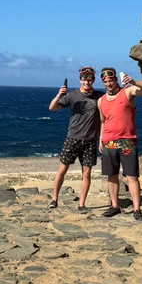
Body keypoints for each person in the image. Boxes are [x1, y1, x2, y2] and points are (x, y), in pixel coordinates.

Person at [96, 68, 142, 220]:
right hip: (109, 141)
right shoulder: (101, 100)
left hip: (127, 140)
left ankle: (137, 209)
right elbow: (103, 121)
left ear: (116, 79)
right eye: (106, 82)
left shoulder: (128, 91)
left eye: (111, 80)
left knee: (132, 176)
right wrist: (101, 139)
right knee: (111, 175)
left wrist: (133, 81)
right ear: (103, 82)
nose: (109, 83)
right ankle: (114, 206)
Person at [48, 66, 103, 212]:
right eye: (85, 79)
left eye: (90, 80)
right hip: (73, 138)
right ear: (80, 80)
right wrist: (59, 95)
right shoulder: (72, 95)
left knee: (86, 173)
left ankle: (82, 204)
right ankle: (54, 199)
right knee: (63, 169)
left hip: (90, 140)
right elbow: (52, 108)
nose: (87, 82)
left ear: (93, 81)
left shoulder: (99, 96)